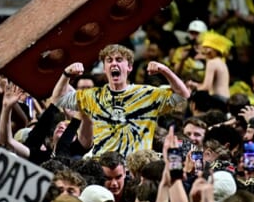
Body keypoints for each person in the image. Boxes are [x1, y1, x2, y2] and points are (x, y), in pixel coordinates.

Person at [54, 44, 190, 157]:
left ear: (129, 67)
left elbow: (183, 95)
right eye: (109, 60)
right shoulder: (92, 96)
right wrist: (66, 74)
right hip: (103, 166)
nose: (114, 63)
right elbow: (58, 100)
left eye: (119, 60)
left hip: (137, 166)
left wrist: (165, 70)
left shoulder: (147, 94)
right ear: (104, 68)